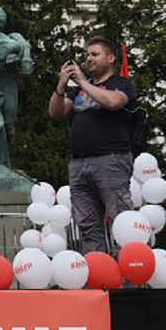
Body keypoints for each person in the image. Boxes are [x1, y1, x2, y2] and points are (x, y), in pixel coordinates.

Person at [48, 35, 138, 253]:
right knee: (88, 227)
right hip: (79, 165)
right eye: (87, 54)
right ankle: (99, 277)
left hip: (110, 160)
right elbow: (55, 112)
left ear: (110, 58)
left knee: (122, 224)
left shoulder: (120, 83)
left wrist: (81, 81)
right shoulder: (77, 89)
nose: (89, 59)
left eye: (95, 54)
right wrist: (62, 85)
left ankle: (130, 281)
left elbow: (113, 102)